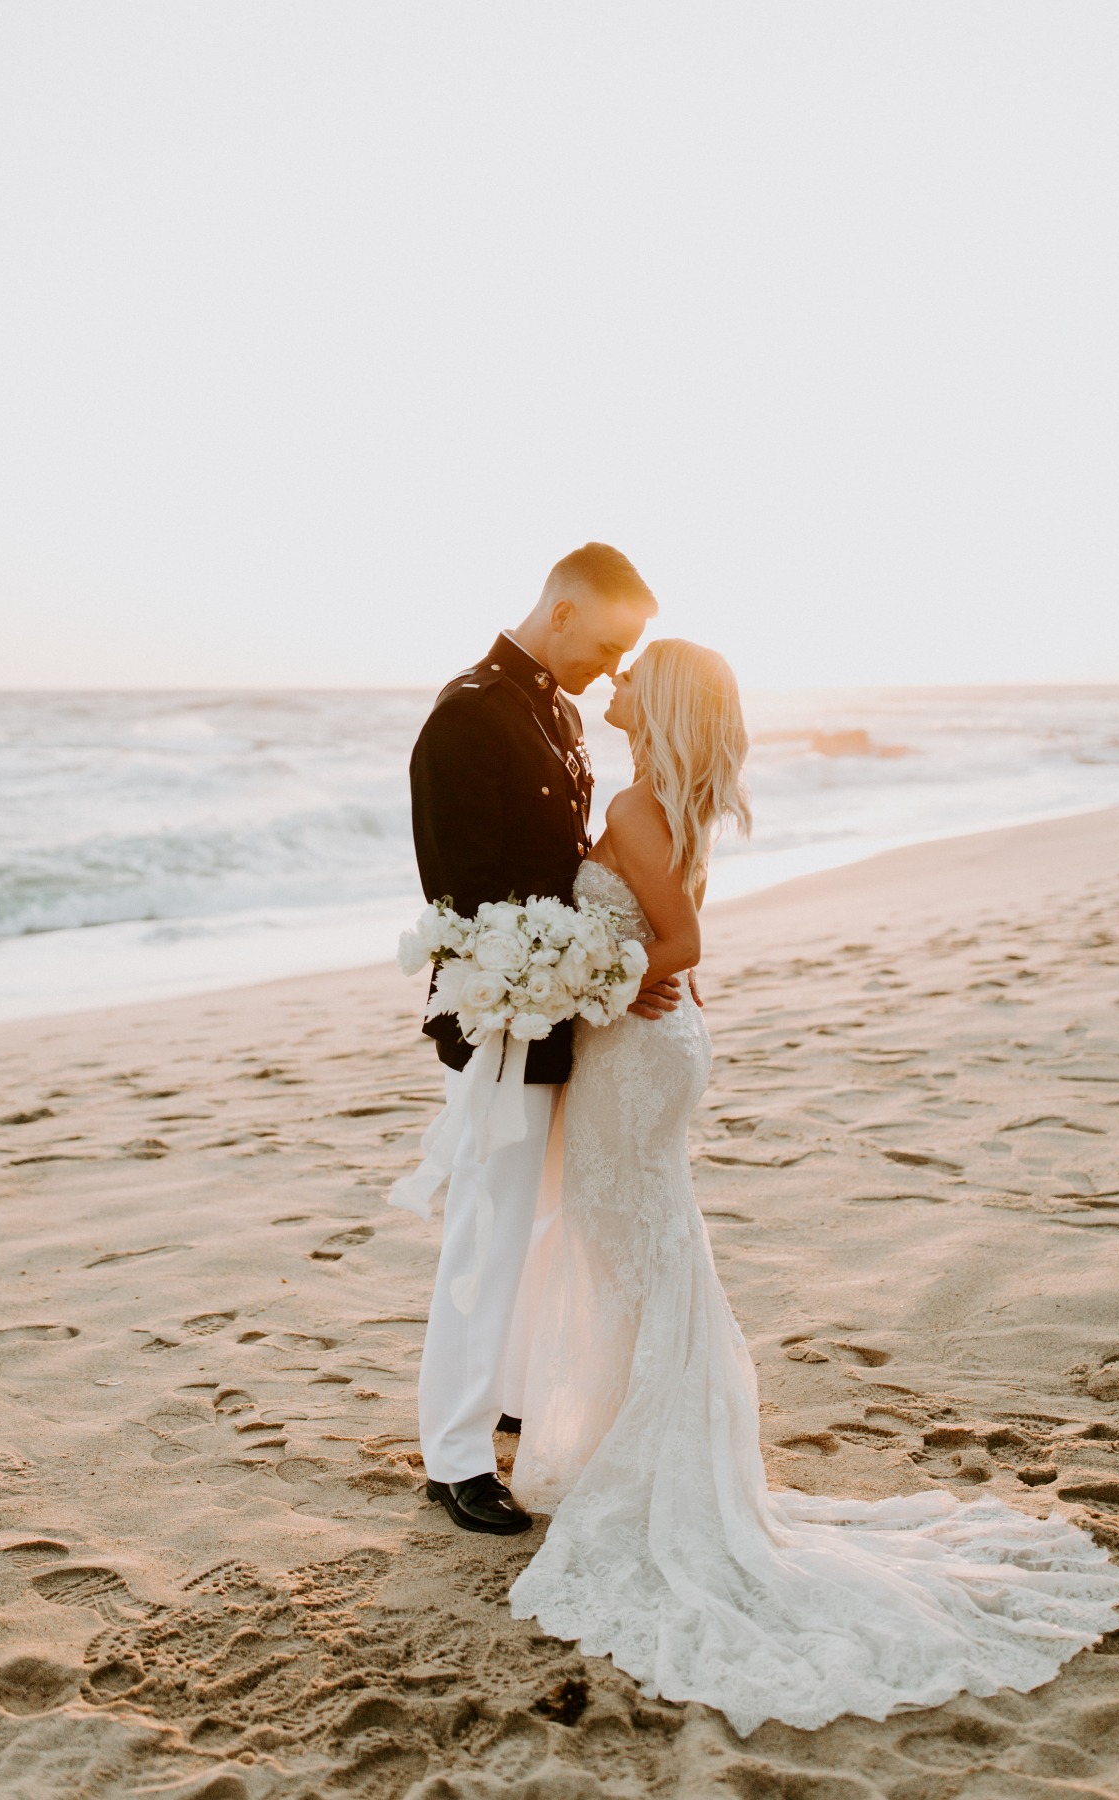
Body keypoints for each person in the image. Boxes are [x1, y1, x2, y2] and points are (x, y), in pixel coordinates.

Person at [509, 637, 1119, 1734]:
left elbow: (681, 937)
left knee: (633, 1246)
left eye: (633, 673)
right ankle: (633, 1446)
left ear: (657, 704)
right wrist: (635, 981)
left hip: (636, 1049)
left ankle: (652, 1468)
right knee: (645, 1245)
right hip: (656, 1044)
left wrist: (583, 980)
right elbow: (678, 944)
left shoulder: (640, 806)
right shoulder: (665, 798)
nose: (613, 684)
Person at [408, 542, 670, 1535]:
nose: (609, 670)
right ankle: (456, 1456)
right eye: (604, 645)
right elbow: (463, 896)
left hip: (561, 1009)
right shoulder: (467, 713)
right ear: (560, 609)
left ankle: (507, 1392)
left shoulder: (557, 707)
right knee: (488, 1226)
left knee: (542, 1217)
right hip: (498, 1011)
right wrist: (582, 968)